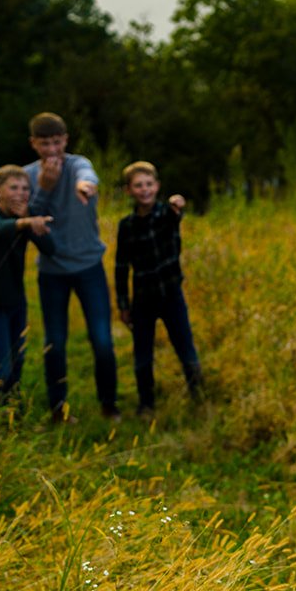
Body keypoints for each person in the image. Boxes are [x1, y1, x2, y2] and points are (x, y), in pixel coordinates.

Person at [24, 112, 119, 422]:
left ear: (65, 140)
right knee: (55, 342)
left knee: (102, 339)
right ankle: (58, 409)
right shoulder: (28, 176)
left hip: (89, 266)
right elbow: (30, 221)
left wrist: (85, 186)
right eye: (45, 144)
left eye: (56, 142)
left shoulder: (79, 164)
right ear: (34, 144)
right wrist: (46, 186)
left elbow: (87, 173)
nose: (52, 150)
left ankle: (109, 404)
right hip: (52, 271)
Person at [114, 161, 203, 417]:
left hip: (171, 294)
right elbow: (121, 266)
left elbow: (177, 212)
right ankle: (146, 403)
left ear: (157, 186)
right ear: (129, 190)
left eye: (149, 184)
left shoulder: (167, 214)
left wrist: (178, 203)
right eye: (138, 185)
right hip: (143, 298)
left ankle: (198, 395)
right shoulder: (127, 225)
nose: (144, 190)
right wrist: (123, 304)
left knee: (184, 344)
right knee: (143, 352)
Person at [0, 165, 55, 402]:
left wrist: (27, 222)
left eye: (25, 189)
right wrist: (25, 222)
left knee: (18, 359)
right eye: (13, 188)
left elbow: (50, 249)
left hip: (17, 301)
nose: (20, 193)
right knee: (1, 365)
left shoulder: (24, 219)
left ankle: (10, 408)